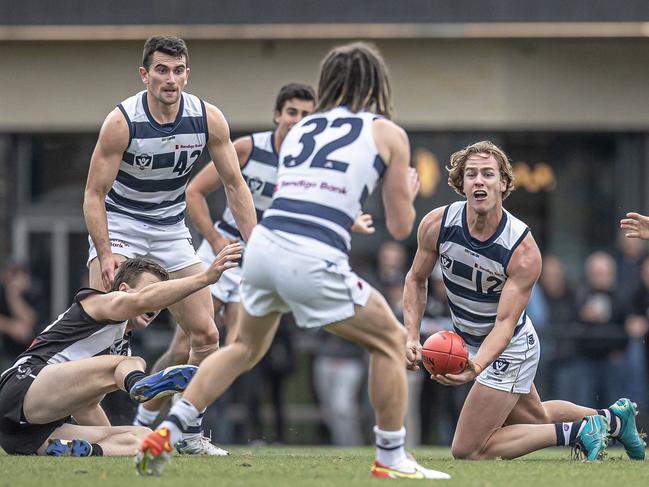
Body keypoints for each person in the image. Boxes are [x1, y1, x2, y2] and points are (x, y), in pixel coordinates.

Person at [136, 42, 450, 480]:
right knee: (391, 342)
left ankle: (166, 430)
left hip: (262, 251)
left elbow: (307, 194)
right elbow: (400, 228)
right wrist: (409, 195)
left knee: (242, 348)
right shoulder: (387, 132)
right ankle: (392, 457)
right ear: (377, 84)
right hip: (311, 256)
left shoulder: (303, 130)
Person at [403, 140, 645, 462]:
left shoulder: (522, 249)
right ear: (461, 183)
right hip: (470, 339)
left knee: (469, 449)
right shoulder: (437, 225)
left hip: (510, 346)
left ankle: (579, 432)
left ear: (503, 183)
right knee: (536, 420)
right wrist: (410, 335)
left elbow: (503, 325)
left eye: (488, 174)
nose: (479, 180)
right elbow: (415, 280)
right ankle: (615, 420)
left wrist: (475, 367)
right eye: (471, 174)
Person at [83, 35, 256, 454]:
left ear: (187, 74)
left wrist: (257, 245)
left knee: (206, 335)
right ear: (145, 75)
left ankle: (187, 432)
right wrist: (106, 253)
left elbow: (234, 184)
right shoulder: (122, 121)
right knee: (96, 332)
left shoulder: (207, 117)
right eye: (161, 70)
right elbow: (93, 195)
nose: (171, 79)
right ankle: (87, 426)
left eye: (178, 70)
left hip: (169, 229)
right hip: (122, 223)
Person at [132, 83, 316, 429]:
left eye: (307, 115)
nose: (298, 120)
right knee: (184, 344)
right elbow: (195, 192)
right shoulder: (249, 148)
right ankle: (144, 420)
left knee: (236, 350)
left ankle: (185, 422)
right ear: (278, 115)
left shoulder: (312, 164)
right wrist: (215, 238)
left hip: (260, 263)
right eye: (292, 112)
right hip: (223, 253)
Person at [0, 245, 241, 457]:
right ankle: (140, 385)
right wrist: (205, 278)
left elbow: (87, 407)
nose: (156, 305)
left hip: (24, 434)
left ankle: (81, 450)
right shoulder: (100, 303)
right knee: (128, 363)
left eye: (160, 298)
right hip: (21, 386)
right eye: (151, 293)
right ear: (123, 289)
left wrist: (108, 436)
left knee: (147, 438)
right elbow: (139, 302)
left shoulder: (121, 350)